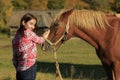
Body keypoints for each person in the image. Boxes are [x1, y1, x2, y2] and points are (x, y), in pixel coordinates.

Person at [12, 13, 48, 80]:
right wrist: (44, 37)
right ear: (23, 22)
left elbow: (14, 57)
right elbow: (40, 40)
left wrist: (18, 67)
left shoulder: (16, 37)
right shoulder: (29, 33)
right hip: (30, 66)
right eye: (31, 24)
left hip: (20, 69)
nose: (33, 27)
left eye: (34, 24)